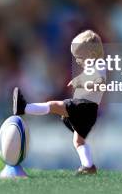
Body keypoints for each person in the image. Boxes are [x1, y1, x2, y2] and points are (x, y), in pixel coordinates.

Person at [13, 30, 106, 175]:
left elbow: (99, 83)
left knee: (54, 106)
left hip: (85, 107)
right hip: (87, 110)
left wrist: (81, 82)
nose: (77, 60)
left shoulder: (98, 66)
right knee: (78, 142)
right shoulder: (91, 67)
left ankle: (24, 108)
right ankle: (88, 166)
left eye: (80, 57)